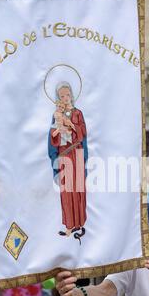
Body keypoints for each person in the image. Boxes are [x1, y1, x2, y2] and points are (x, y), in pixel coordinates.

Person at [48, 82, 87, 242]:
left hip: (76, 153)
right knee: (66, 191)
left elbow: (82, 132)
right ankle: (69, 225)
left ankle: (80, 223)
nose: (65, 98)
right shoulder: (56, 114)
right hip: (63, 154)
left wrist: (70, 124)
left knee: (77, 189)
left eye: (67, 95)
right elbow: (52, 134)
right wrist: (58, 129)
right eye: (61, 96)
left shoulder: (78, 113)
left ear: (72, 95)